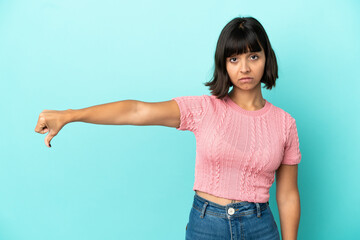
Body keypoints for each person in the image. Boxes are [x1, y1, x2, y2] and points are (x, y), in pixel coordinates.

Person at [35, 16, 301, 240]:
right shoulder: (203, 109)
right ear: (224, 63)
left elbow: (287, 195)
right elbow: (137, 110)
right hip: (207, 225)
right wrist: (69, 115)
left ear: (267, 58)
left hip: (260, 227)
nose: (244, 67)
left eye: (253, 56)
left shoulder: (284, 123)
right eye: (234, 59)